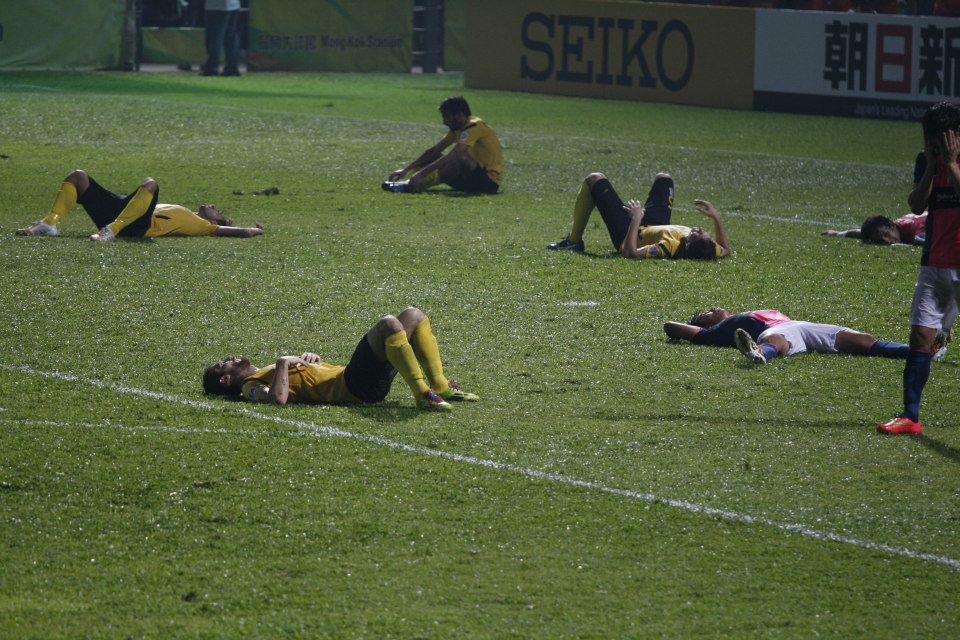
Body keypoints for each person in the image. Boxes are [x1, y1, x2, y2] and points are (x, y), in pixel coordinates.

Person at [203, 307, 478, 412]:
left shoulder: (265, 370)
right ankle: (423, 395)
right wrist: (284, 362)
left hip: (357, 379)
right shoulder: (248, 387)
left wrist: (310, 361)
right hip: (354, 386)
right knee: (387, 325)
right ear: (225, 379)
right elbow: (276, 400)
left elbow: (300, 382)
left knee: (414, 316)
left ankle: (440, 385)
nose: (229, 358)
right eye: (222, 364)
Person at [879, 101, 960, 435]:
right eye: (928, 138)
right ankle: (910, 416)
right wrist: (930, 166)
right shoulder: (925, 159)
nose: (932, 143)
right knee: (920, 337)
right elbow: (916, 204)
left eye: (938, 137)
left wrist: (952, 163)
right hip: (934, 264)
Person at [16, 170, 263, 240]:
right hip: (122, 212)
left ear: (214, 220)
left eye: (218, 211)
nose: (213, 206)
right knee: (78, 177)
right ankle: (49, 224)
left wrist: (251, 231)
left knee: (151, 183)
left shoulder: (201, 225)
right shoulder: (184, 212)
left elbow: (225, 231)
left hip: (135, 227)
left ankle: (112, 230)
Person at [546, 172, 730, 259]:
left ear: (687, 243)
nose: (699, 229)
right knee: (665, 178)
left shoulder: (669, 247)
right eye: (705, 233)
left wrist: (635, 218)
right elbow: (725, 249)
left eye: (697, 233)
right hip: (654, 224)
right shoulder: (708, 248)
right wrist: (716, 217)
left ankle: (574, 241)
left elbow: (630, 253)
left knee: (594, 179)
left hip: (630, 231)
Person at [664, 307, 935, 364]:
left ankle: (921, 351)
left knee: (862, 340)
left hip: (801, 325)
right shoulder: (718, 332)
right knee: (776, 341)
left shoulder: (741, 316)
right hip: (779, 331)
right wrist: (698, 325)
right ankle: (759, 353)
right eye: (705, 313)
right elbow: (669, 326)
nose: (711, 309)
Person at [382, 96, 503, 194]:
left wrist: (420, 174)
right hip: (469, 180)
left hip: (487, 183)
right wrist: (406, 169)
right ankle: (412, 181)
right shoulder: (459, 127)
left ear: (459, 115)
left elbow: (456, 154)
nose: (444, 121)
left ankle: (411, 186)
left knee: (460, 158)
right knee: (433, 156)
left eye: (446, 116)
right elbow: (435, 150)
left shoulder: (474, 126)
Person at [821, 212, 927, 245]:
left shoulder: (911, 227)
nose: (886, 241)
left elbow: (928, 243)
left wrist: (913, 243)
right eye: (880, 240)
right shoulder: (892, 228)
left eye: (886, 235)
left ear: (892, 226)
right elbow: (860, 233)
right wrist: (837, 234)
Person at [202, 0, 241, 77]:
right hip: (234, 5)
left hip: (216, 6)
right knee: (231, 37)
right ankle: (232, 67)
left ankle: (212, 67)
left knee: (215, 37)